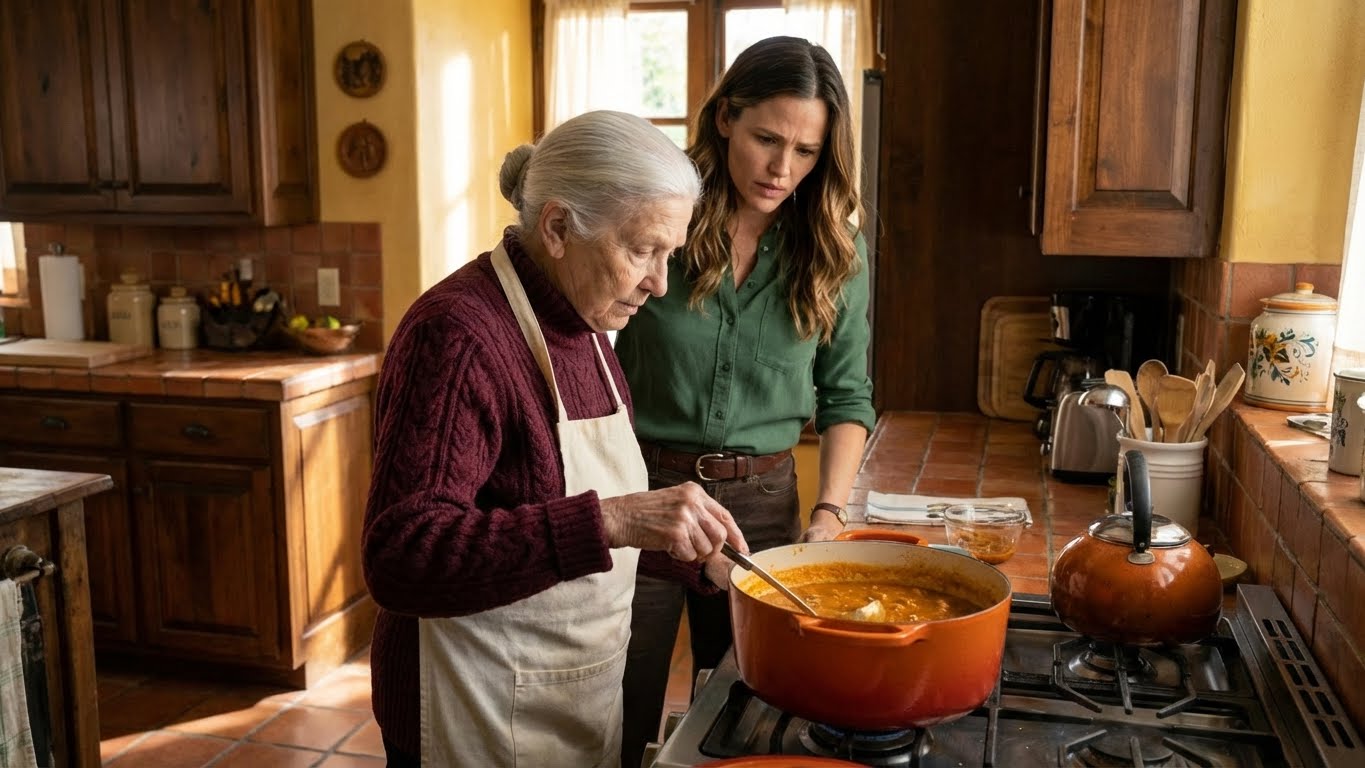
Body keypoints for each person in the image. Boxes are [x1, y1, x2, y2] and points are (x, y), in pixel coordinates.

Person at [362, 109, 749, 768]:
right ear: (559, 228)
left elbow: (565, 504)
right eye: (642, 249)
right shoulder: (457, 335)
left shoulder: (585, 328)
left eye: (669, 255)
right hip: (467, 716)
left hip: (564, 704)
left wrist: (694, 554)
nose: (658, 283)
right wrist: (611, 520)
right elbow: (400, 556)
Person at [615, 36, 876, 767]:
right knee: (617, 701)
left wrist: (827, 514)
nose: (781, 168)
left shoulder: (835, 253)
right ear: (725, 116)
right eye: (766, 138)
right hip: (641, 491)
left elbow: (847, 396)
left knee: (754, 715)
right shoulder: (656, 221)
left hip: (761, 506)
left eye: (804, 151)